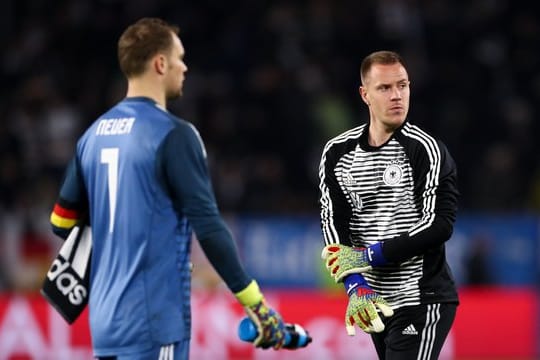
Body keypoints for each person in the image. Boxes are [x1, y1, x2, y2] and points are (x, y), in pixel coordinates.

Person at [49, 17, 286, 359]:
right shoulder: (173, 134)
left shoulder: (91, 136)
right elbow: (208, 226)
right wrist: (255, 302)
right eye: (179, 57)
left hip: (104, 324)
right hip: (155, 322)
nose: (185, 67)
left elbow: (61, 223)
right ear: (160, 63)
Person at [319, 50, 459, 360]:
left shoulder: (426, 150)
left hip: (423, 297)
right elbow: (333, 223)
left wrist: (371, 255)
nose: (397, 96)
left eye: (403, 85)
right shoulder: (337, 154)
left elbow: (439, 225)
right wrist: (355, 284)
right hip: (373, 301)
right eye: (385, 88)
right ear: (364, 94)